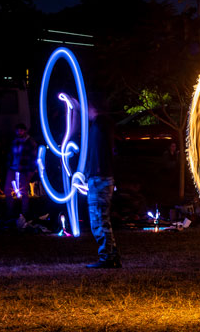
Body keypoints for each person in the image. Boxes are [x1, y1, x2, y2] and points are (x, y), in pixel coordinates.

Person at [85, 96, 121, 269]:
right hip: (98, 177)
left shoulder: (102, 123)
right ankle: (111, 256)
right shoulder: (99, 125)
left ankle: (107, 257)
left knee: (99, 219)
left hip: (100, 179)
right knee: (100, 219)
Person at [5, 123, 37, 226]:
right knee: (7, 190)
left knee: (24, 192)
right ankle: (10, 212)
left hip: (24, 170)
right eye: (18, 130)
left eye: (21, 130)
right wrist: (9, 164)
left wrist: (31, 170)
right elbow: (10, 154)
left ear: (25, 131)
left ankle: (24, 213)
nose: (19, 132)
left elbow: (33, 157)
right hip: (13, 169)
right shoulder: (15, 142)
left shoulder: (30, 143)